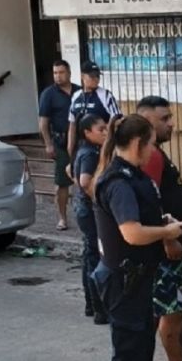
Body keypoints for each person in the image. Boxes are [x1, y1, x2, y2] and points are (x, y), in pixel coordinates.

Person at [91, 114, 182, 361]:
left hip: (139, 278)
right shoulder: (119, 181)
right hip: (125, 282)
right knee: (130, 352)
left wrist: (163, 221)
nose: (153, 151)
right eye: (151, 144)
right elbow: (131, 233)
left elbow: (142, 215)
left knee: (142, 348)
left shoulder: (134, 175)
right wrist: (166, 233)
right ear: (137, 143)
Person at [136, 96, 182, 361]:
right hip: (167, 254)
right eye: (165, 119)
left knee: (162, 314)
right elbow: (149, 203)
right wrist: (167, 241)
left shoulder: (156, 153)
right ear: (147, 121)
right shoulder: (149, 157)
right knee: (171, 317)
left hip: (173, 251)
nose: (172, 123)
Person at [73, 113, 109, 325]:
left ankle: (91, 305)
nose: (105, 133)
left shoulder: (89, 150)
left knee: (90, 256)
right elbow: (85, 182)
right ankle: (99, 308)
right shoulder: (89, 153)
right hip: (89, 210)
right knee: (95, 257)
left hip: (84, 209)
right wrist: (101, 199)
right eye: (100, 130)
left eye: (106, 129)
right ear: (87, 133)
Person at [38, 60, 81, 231]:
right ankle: (62, 218)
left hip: (81, 141)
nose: (58, 76)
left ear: (69, 73)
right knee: (62, 183)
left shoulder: (79, 91)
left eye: (61, 72)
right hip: (61, 143)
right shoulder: (49, 94)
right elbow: (43, 122)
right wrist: (48, 144)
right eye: (55, 73)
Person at [67, 61, 121, 159]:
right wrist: (70, 146)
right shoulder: (76, 96)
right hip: (81, 146)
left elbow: (117, 119)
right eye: (92, 76)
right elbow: (72, 123)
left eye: (97, 76)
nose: (96, 79)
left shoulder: (105, 95)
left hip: (101, 146)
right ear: (83, 76)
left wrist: (105, 137)